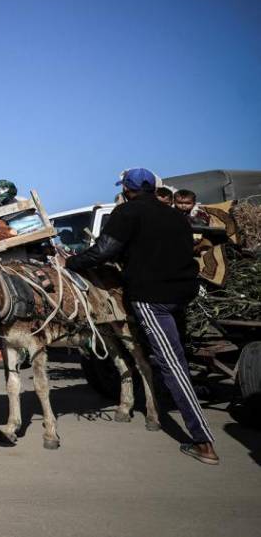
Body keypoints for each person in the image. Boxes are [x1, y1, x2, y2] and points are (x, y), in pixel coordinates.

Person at [64, 168, 218, 466]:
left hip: (152, 298)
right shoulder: (174, 214)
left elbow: (103, 252)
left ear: (127, 189)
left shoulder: (127, 212)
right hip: (182, 293)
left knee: (172, 363)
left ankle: (204, 442)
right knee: (175, 354)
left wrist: (71, 261)